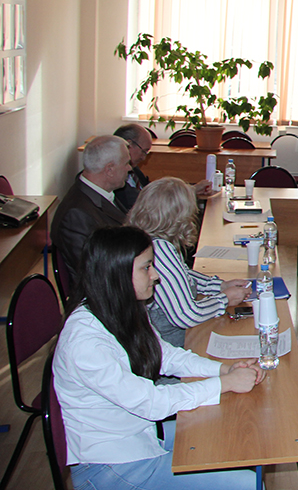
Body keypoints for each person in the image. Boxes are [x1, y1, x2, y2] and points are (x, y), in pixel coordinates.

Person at [53, 226, 264, 490]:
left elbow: (166, 355)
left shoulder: (120, 306)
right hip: (111, 468)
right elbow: (151, 403)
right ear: (117, 273)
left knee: (231, 431)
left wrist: (223, 370)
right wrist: (226, 383)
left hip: (141, 437)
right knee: (249, 485)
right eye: (146, 268)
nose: (155, 275)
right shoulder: (85, 342)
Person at [126, 177, 251, 347]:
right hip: (170, 342)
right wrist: (225, 299)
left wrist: (220, 286)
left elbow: (182, 274)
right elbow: (186, 316)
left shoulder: (146, 239)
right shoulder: (159, 249)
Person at [51, 135, 132, 284]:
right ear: (109, 169)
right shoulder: (76, 215)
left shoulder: (101, 193)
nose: (130, 168)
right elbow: (94, 272)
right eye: (126, 163)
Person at [113, 123, 213, 211]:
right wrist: (190, 190)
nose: (143, 158)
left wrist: (191, 189)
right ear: (129, 145)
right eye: (143, 151)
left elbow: (152, 192)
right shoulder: (116, 177)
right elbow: (145, 201)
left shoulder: (134, 169)